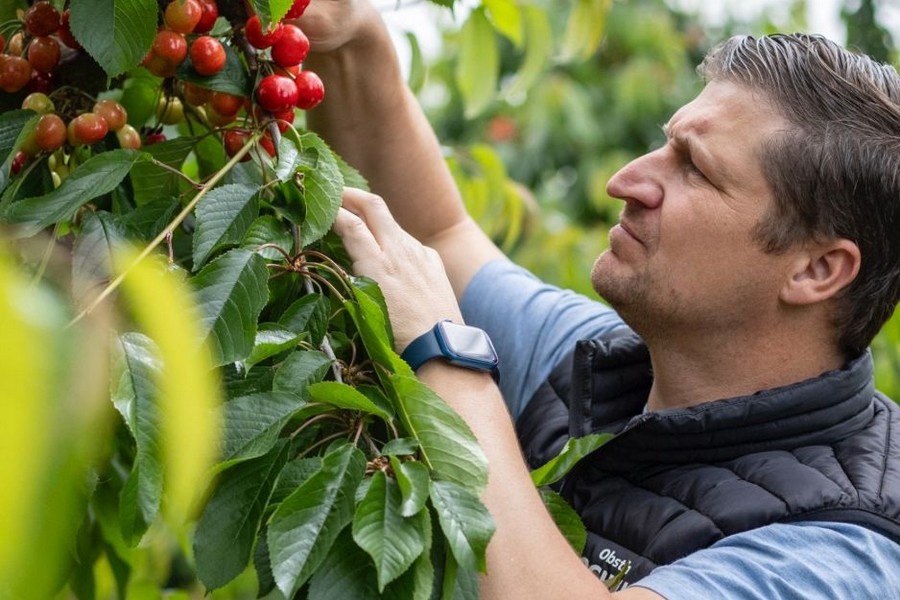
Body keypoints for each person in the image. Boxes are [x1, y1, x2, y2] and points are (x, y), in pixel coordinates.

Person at [297, 2, 900, 598]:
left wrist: (447, 351)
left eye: (695, 169)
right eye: (666, 144)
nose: (625, 181)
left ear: (817, 269)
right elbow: (435, 235)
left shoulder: (847, 547)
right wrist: (353, 40)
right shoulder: (599, 365)